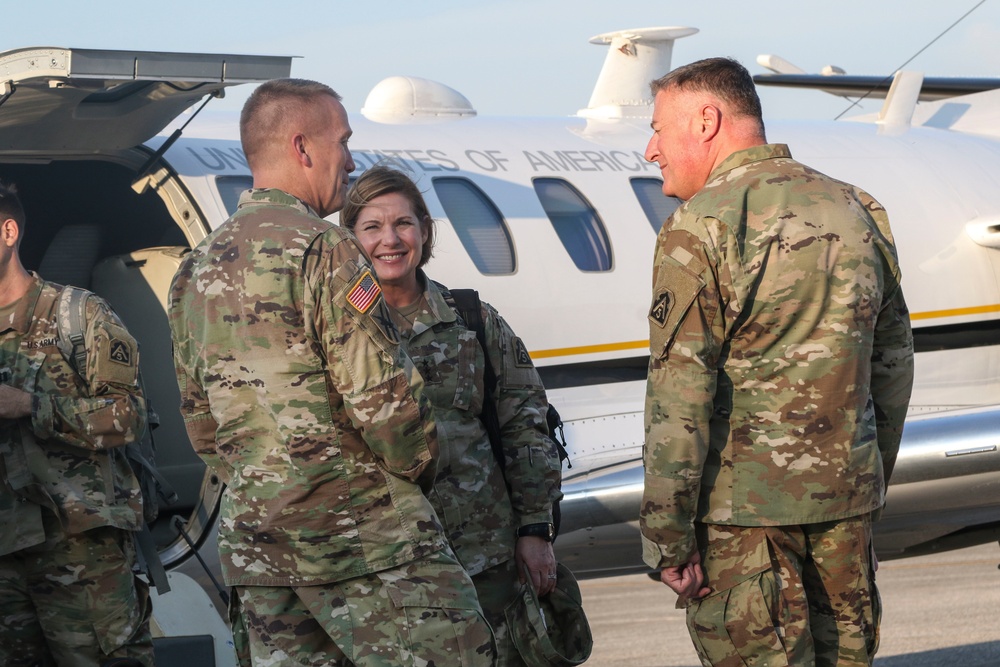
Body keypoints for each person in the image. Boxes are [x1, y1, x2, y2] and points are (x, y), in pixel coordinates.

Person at [168, 80, 494, 667]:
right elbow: (385, 402)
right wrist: (420, 473)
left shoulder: (195, 267)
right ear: (302, 147)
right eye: (342, 141)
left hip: (260, 550)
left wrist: (267, 486)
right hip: (364, 543)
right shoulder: (326, 249)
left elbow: (200, 423)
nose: (349, 159)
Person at [639, 58, 914, 667]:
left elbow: (678, 398)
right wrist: (865, 497)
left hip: (744, 526)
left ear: (707, 120)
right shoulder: (857, 207)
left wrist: (668, 539)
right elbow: (892, 368)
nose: (651, 148)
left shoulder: (701, 225)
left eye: (659, 128)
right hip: (845, 511)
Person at [341, 166, 564, 667]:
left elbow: (526, 427)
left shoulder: (471, 319)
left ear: (424, 231)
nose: (390, 240)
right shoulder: (339, 330)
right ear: (350, 239)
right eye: (371, 227)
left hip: (483, 559)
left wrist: (535, 531)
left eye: (403, 223)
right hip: (382, 566)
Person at [0, 181, 154, 666]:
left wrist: (30, 405)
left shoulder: (77, 315)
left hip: (78, 551)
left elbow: (128, 417)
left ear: (8, 232)